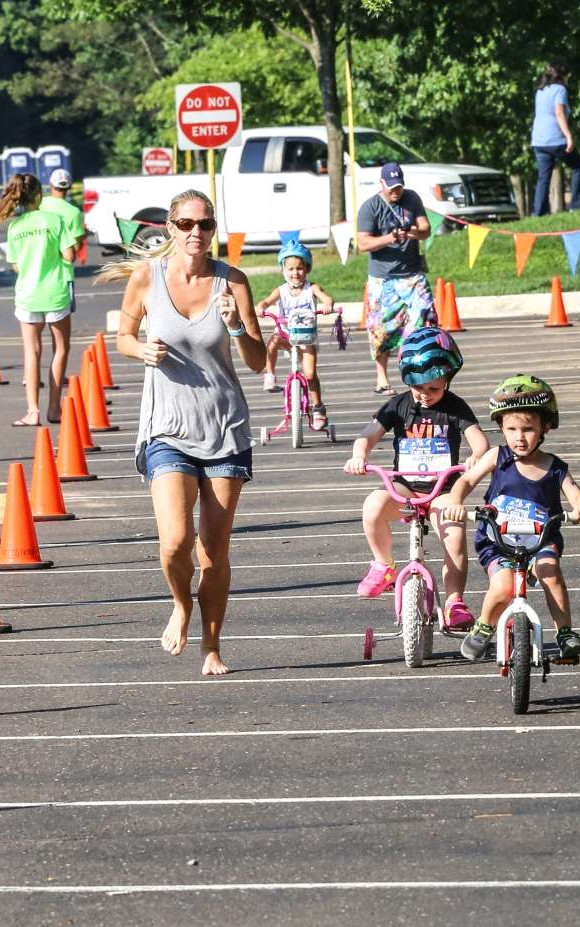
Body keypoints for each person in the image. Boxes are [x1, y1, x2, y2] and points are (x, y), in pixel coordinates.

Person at [104, 189, 266, 676]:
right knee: (175, 540)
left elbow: (258, 362)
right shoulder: (146, 279)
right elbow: (123, 337)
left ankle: (211, 646)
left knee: (213, 552)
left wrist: (237, 328)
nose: (198, 232)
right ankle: (181, 603)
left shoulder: (232, 281)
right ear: (170, 228)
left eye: (206, 224)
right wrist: (141, 352)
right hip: (167, 430)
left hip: (224, 429)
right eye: (187, 223)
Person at [343, 326, 489, 629]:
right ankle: (383, 565)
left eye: (434, 389)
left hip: (443, 487)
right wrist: (360, 455)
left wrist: (476, 455)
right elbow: (368, 435)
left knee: (454, 532)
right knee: (373, 506)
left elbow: (479, 440)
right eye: (417, 388)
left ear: (448, 380)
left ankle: (453, 602)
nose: (425, 395)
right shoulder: (399, 405)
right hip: (405, 486)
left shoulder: (455, 407)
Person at [443, 375, 580, 663]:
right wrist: (455, 500)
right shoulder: (496, 457)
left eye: (528, 429)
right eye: (511, 429)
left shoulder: (554, 467)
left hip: (540, 541)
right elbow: (466, 480)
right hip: (498, 541)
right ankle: (484, 627)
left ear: (545, 428)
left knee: (551, 575)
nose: (519, 437)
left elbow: (575, 494)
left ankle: (565, 634)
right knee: (503, 587)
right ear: (501, 427)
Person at [0, 173, 76, 427]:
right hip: (55, 292)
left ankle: (32, 411)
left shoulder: (15, 227)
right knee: (60, 348)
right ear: (39, 194)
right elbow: (69, 255)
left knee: (31, 353)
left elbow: (17, 266)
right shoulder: (54, 220)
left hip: (27, 295)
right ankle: (54, 408)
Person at [357, 162, 436, 395]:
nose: (396, 191)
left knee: (426, 317)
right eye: (391, 187)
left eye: (399, 187)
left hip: (412, 275)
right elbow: (363, 243)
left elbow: (426, 228)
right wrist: (389, 238)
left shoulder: (412, 199)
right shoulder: (370, 208)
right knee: (381, 330)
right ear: (381, 183)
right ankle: (381, 377)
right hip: (383, 280)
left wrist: (410, 231)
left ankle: (421, 371)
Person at [258, 241, 333, 428]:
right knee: (272, 342)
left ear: (307, 268)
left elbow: (326, 298)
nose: (295, 273)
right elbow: (266, 301)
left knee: (310, 374)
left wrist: (327, 305)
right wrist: (261, 307)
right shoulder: (281, 290)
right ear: (283, 269)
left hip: (306, 338)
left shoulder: (311, 288)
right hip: (286, 335)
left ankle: (318, 408)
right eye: (290, 268)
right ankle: (270, 374)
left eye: (299, 268)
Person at [530, 63, 580, 216]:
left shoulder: (540, 91)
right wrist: (568, 136)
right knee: (578, 166)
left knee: (543, 178)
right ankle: (576, 206)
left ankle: (538, 213)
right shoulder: (560, 90)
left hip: (539, 140)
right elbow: (559, 114)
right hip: (555, 139)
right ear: (563, 76)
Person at [39, 169, 86, 316]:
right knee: (61, 336)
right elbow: (76, 248)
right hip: (62, 276)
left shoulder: (39, 205)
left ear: (50, 185)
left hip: (36, 272)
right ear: (69, 187)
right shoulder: (74, 213)